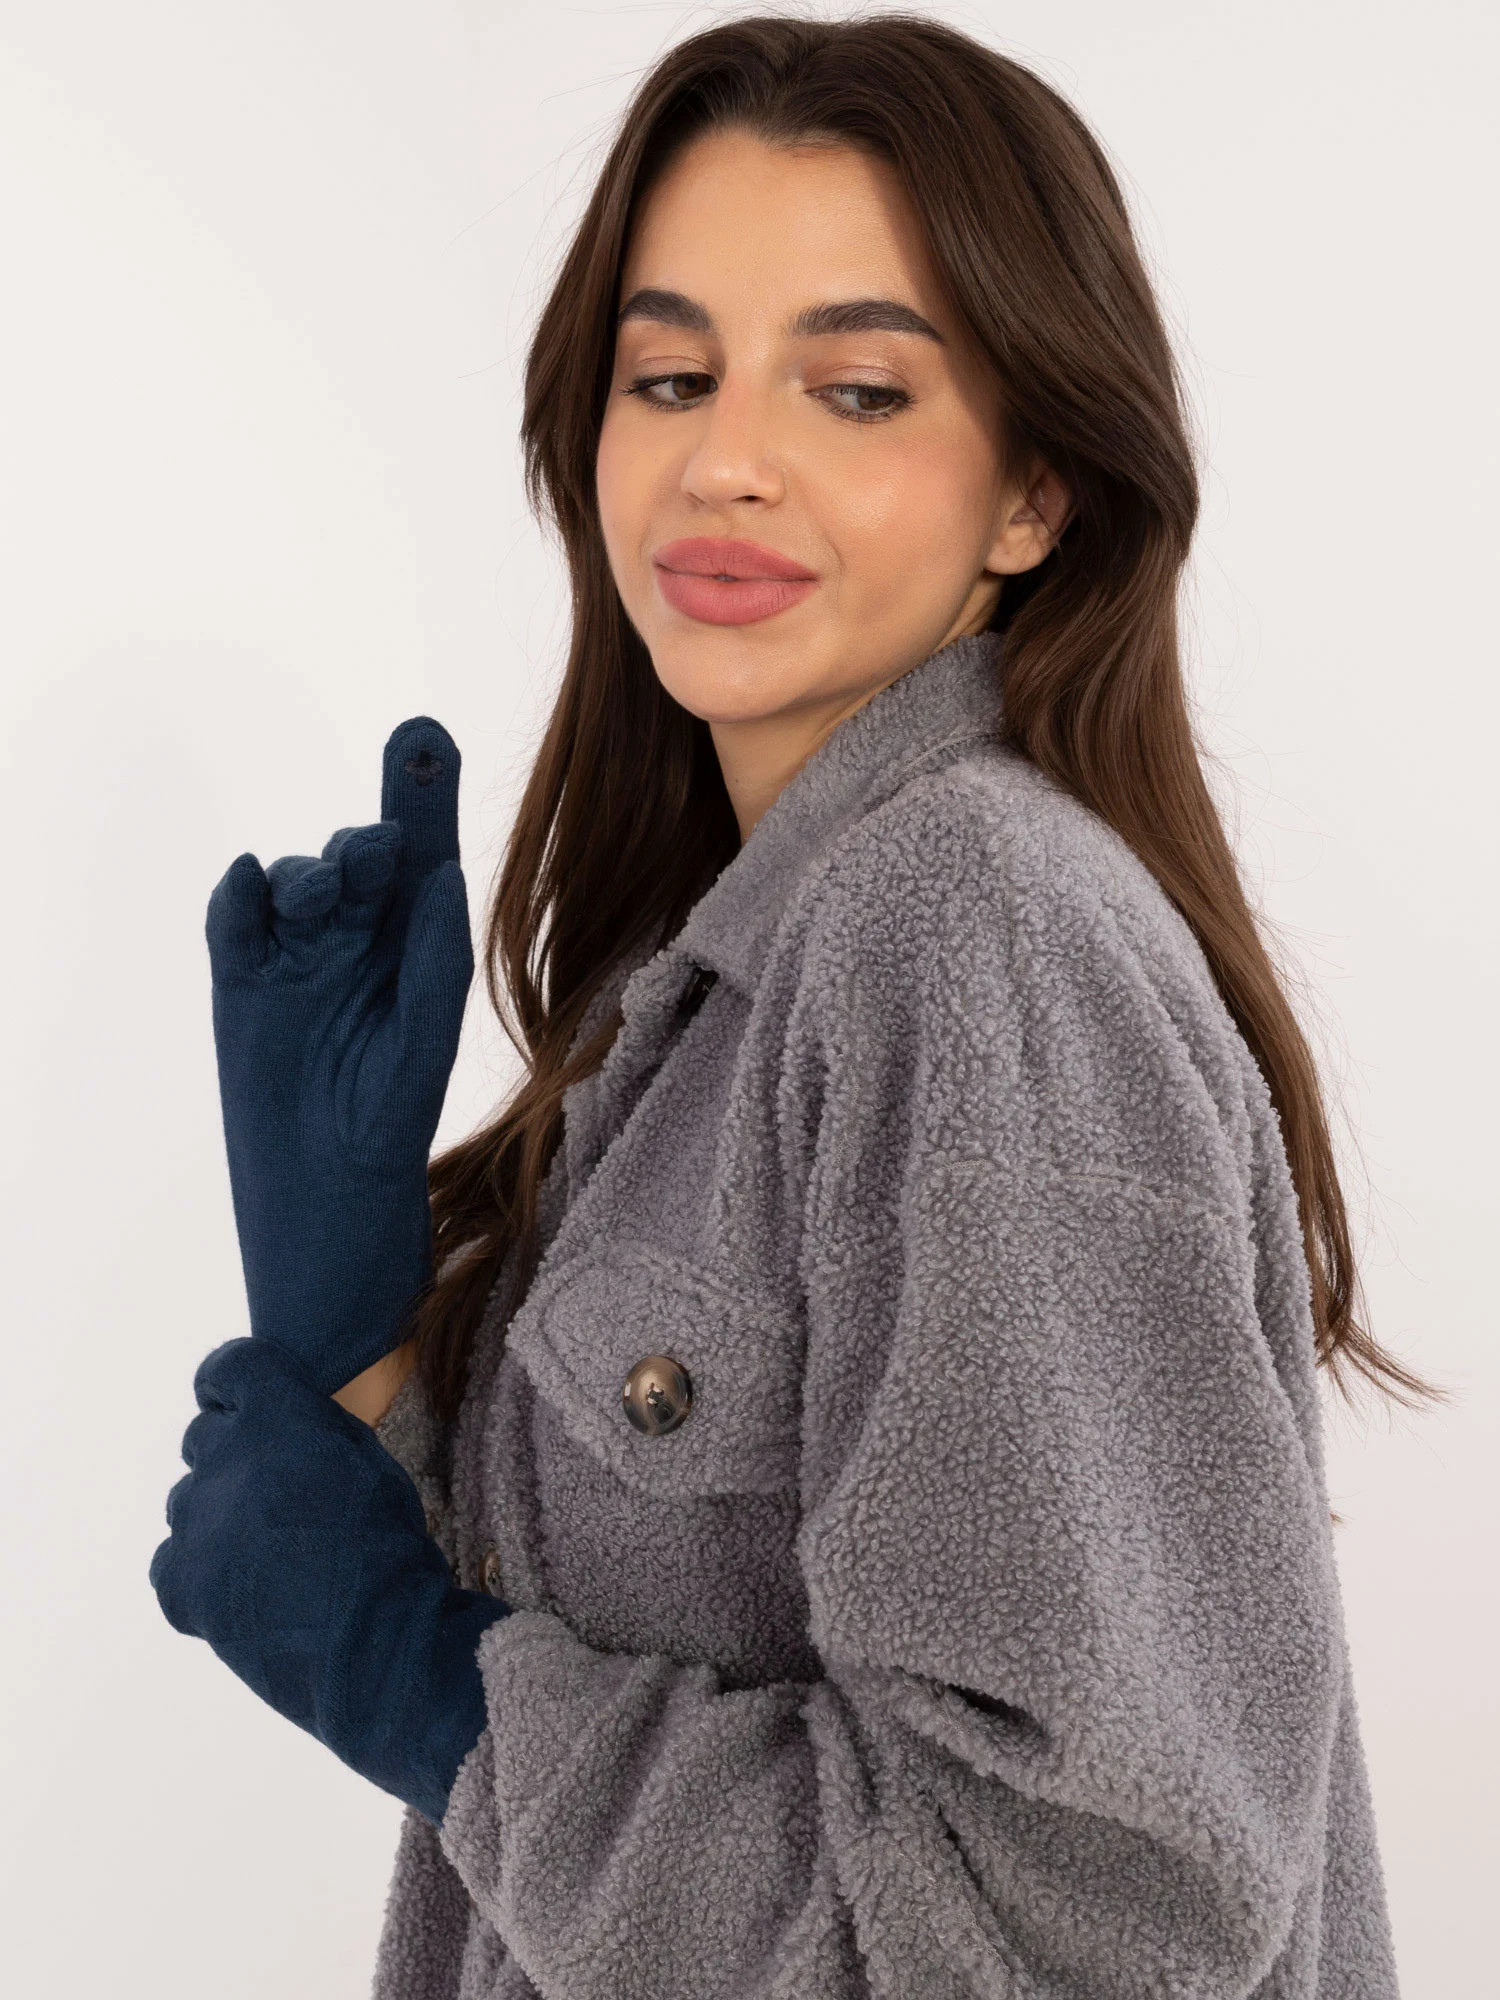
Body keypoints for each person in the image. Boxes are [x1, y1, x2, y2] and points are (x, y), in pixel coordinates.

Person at [149, 15, 1436, 1996]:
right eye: (670, 375)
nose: (726, 460)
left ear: (1035, 494)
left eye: (856, 389)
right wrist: (365, 1349)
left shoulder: (971, 925)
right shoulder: (759, 954)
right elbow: (672, 1618)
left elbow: (1078, 1932)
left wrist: (421, 1680)